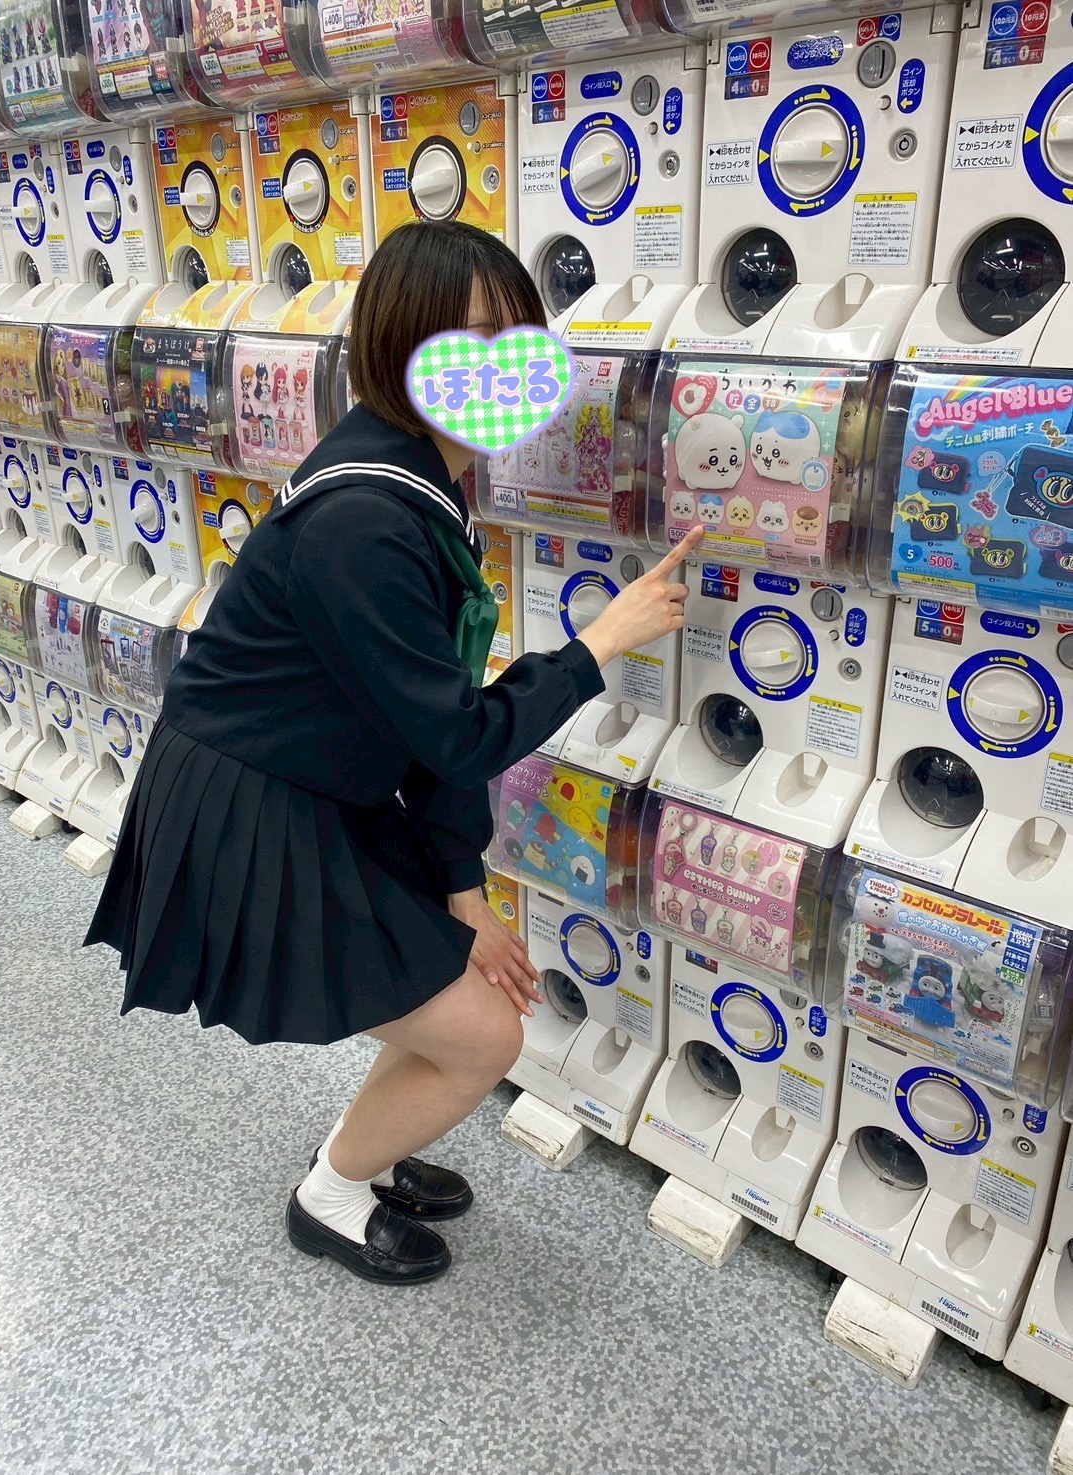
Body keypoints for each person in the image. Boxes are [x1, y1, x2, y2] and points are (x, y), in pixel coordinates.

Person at [85, 219, 701, 1286]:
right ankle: (330, 1194)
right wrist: (600, 642)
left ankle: (363, 1153)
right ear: (397, 349)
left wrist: (461, 885)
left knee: (450, 999)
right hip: (250, 806)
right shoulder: (368, 518)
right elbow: (458, 730)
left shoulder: (415, 474)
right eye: (465, 344)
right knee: (482, 1037)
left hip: (318, 780)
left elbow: (431, 718)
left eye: (515, 342)